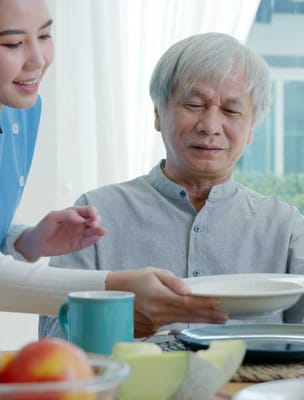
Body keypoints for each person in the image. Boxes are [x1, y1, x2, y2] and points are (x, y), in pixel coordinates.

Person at [0, 1, 228, 353]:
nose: (38, 59)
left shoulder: (18, 109)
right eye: (13, 44)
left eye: (44, 35)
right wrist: (117, 290)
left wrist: (26, 241)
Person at [39, 31, 304, 339]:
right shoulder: (97, 214)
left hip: (254, 387)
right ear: (157, 114)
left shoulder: (284, 227)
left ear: (250, 129)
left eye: (231, 111)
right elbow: (54, 336)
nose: (210, 126)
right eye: (193, 104)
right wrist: (125, 320)